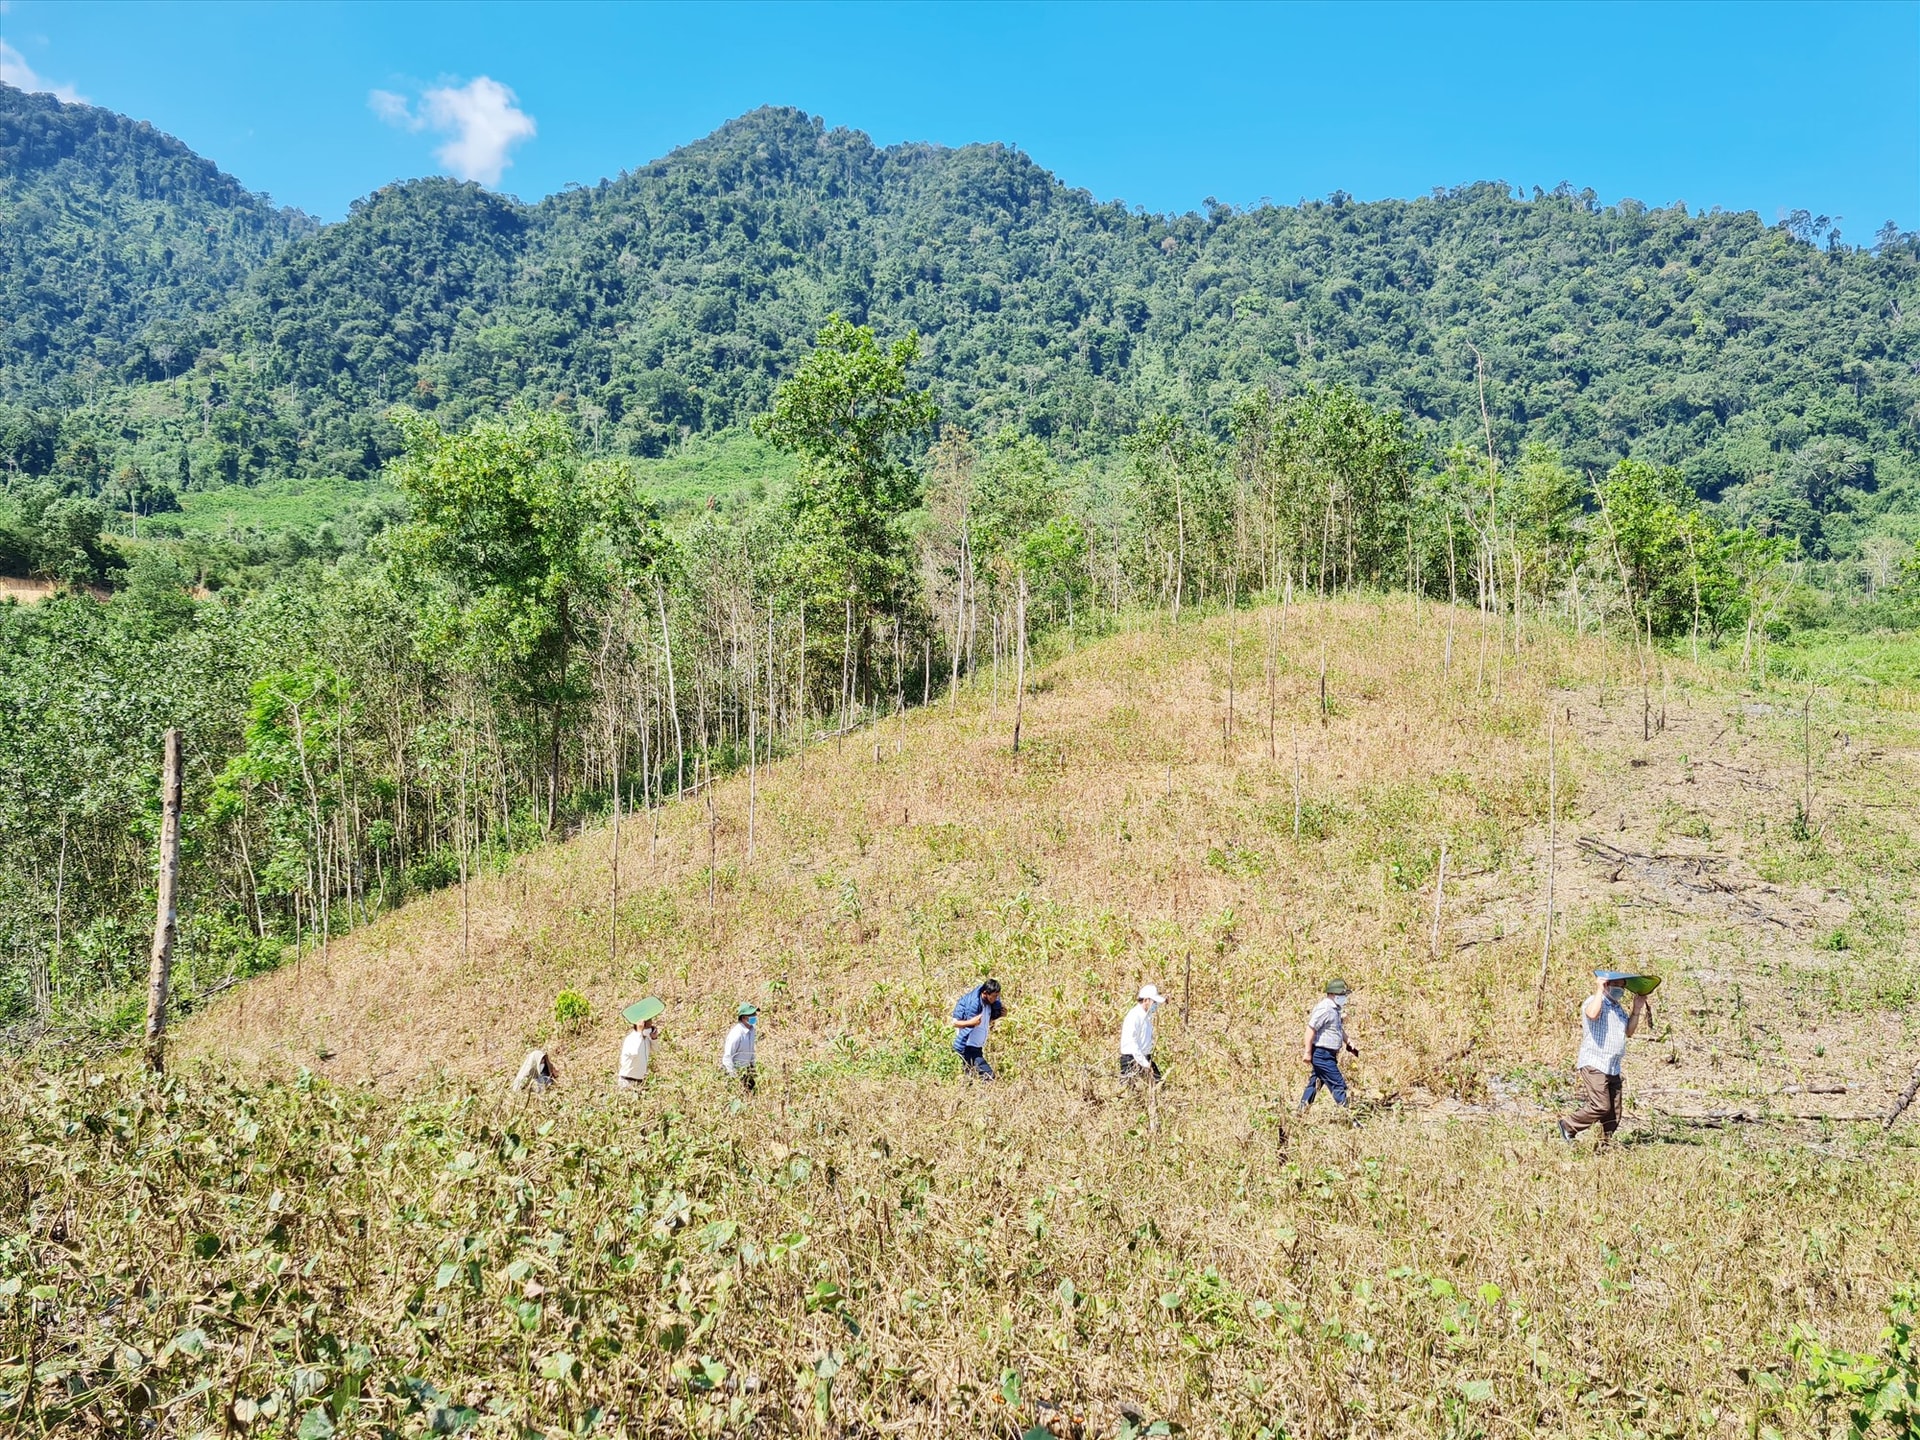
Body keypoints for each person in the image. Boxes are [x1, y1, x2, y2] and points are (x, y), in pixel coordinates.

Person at [1559, 970, 1653, 1144]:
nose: (1619, 989)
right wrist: (1599, 990)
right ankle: (1568, 1125)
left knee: (1614, 1113)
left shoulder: (1618, 1008)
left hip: (1613, 1065)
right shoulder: (1595, 1001)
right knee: (1600, 1105)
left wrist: (1637, 1008)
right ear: (1607, 985)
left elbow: (1629, 1031)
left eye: (1622, 986)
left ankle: (1604, 1144)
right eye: (1615, 985)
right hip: (1595, 1062)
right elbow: (1592, 1014)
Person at [1299, 979, 1359, 1110]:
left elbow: (1337, 1029)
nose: (1344, 998)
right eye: (1342, 995)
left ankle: (1301, 1112)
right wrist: (1307, 1052)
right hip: (1322, 1054)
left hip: (1328, 1055)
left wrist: (1348, 1042)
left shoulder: (1335, 1009)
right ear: (1333, 994)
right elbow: (1310, 1029)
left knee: (1315, 1083)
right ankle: (1350, 1117)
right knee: (1338, 1085)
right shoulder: (1325, 1009)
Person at [950, 978, 1005, 1081]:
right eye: (994, 996)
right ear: (985, 993)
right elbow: (955, 1023)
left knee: (969, 1078)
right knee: (989, 1076)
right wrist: (970, 1023)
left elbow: (984, 1022)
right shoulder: (970, 1003)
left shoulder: (989, 1004)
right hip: (968, 1047)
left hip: (977, 1047)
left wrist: (1000, 1015)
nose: (996, 998)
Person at [1120, 983, 1166, 1082]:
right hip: (1131, 1059)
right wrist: (1145, 1064)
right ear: (1145, 1000)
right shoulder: (1134, 1016)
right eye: (1154, 1002)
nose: (1156, 1006)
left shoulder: (1146, 1016)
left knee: (1158, 1085)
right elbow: (1132, 1043)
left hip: (1144, 1058)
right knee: (1129, 1091)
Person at [618, 1001, 661, 1089]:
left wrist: (654, 1038)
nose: (650, 1027)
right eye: (648, 1025)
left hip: (639, 1082)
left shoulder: (646, 1039)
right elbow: (635, 1052)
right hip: (627, 1081)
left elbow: (656, 1050)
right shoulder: (631, 1038)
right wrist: (639, 1032)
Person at [720, 1003, 758, 1093]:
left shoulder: (752, 1030)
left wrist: (753, 1067)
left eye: (755, 1014)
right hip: (735, 1072)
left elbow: (751, 1051)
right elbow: (727, 1057)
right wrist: (734, 1077)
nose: (755, 1017)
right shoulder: (736, 1034)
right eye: (752, 1015)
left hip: (746, 1071)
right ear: (744, 1018)